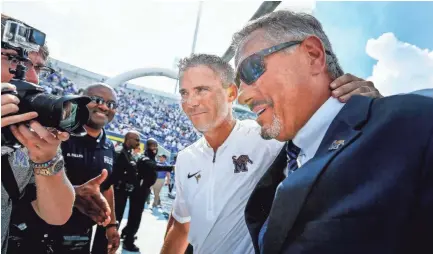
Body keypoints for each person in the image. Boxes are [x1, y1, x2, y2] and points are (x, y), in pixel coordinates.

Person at [232, 10, 433, 254]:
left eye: (251, 70)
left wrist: (386, 122)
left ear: (313, 56)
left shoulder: (414, 124)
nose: (242, 96)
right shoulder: (281, 162)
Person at [161, 53, 382, 254]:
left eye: (202, 90)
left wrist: (367, 105)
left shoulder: (267, 137)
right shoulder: (185, 158)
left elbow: (324, 129)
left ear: (231, 93)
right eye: (184, 93)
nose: (191, 102)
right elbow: (181, 226)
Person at [1, 15, 75, 254]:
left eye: (39, 67)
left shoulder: (31, 128)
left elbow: (57, 215)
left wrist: (48, 160)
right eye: (13, 58)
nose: (32, 77)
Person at [121, 138, 174, 252]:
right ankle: (128, 242)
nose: (154, 148)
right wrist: (171, 167)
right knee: (135, 216)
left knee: (134, 214)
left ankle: (126, 233)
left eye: (155, 146)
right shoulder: (145, 158)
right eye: (151, 146)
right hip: (139, 190)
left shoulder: (150, 158)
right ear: (146, 147)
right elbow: (153, 167)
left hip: (143, 189)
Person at [109, 131, 141, 226]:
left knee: (117, 221)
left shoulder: (128, 153)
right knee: (110, 224)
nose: (138, 143)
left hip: (123, 193)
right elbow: (113, 174)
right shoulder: (119, 152)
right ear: (129, 139)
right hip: (115, 194)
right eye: (137, 140)